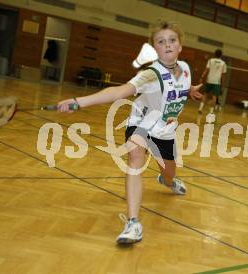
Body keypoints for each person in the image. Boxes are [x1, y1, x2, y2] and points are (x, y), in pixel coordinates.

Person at [58, 19, 203, 243]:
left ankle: (167, 181)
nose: (167, 45)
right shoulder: (150, 75)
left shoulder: (184, 68)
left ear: (180, 45)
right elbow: (118, 92)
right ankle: (133, 223)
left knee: (169, 172)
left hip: (165, 131)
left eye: (172, 40)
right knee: (135, 156)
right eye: (161, 41)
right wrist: (79, 101)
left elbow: (180, 86)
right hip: (142, 122)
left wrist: (190, 90)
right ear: (154, 49)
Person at [198, 49, 227, 113]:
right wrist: (223, 85)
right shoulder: (223, 63)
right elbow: (223, 75)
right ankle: (211, 112)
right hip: (217, 82)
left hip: (209, 80)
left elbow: (206, 70)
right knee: (214, 97)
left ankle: (200, 108)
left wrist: (201, 77)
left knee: (205, 94)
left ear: (214, 54)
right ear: (221, 55)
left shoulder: (210, 60)